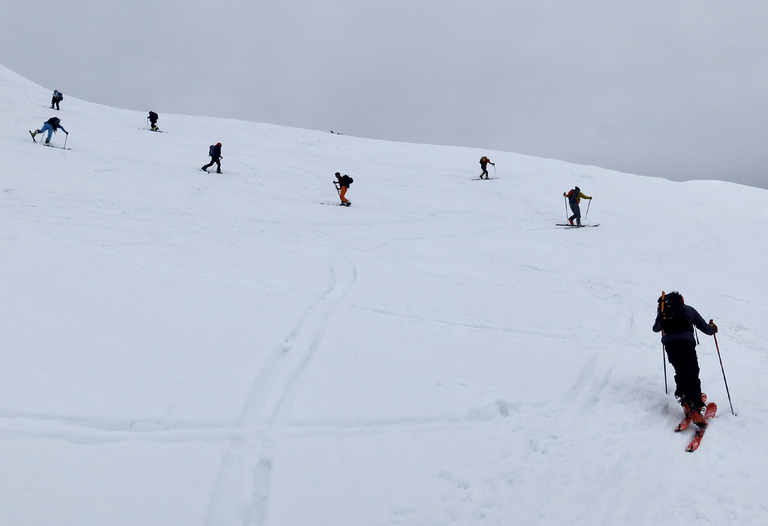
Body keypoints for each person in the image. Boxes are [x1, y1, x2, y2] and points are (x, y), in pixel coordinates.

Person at [653, 291, 718, 427]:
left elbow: (656, 328)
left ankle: (686, 403)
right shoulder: (688, 310)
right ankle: (695, 410)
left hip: (670, 346)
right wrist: (713, 328)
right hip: (686, 345)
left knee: (680, 372)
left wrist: (662, 318)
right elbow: (706, 328)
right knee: (691, 374)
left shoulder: (664, 312)